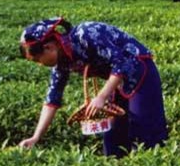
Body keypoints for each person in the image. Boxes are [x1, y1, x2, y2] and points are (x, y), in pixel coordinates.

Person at [18, 17, 168, 157]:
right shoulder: (62, 62)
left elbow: (121, 62)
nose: (40, 64)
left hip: (140, 71)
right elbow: (52, 99)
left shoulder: (86, 34)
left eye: (38, 59)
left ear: (48, 47)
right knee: (113, 136)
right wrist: (36, 137)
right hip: (117, 81)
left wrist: (101, 97)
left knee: (144, 132)